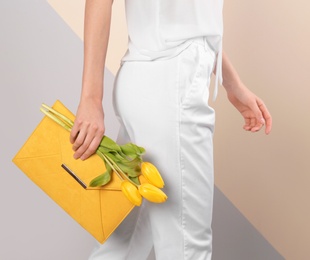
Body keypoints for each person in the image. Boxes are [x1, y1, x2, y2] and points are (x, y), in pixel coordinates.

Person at [69, 0, 272, 259]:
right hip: (172, 87)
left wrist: (232, 84)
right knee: (187, 250)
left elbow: (193, 22)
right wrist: (90, 97)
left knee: (121, 246)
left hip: (148, 81)